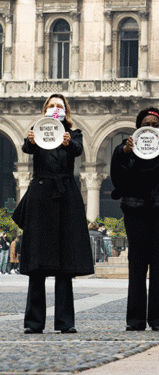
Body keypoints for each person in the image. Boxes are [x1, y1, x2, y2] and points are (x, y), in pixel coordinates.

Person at [13, 94, 94, 333]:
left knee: (65, 262)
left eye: (59, 105)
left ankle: (65, 322)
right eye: (51, 105)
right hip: (40, 195)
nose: (55, 108)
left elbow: (78, 150)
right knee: (37, 261)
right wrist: (30, 140)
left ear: (66, 110)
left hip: (66, 195)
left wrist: (69, 142)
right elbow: (27, 148)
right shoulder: (37, 129)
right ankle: (34, 322)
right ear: (45, 109)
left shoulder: (73, 132)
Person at [111, 107, 159, 332]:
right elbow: (118, 174)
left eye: (155, 124)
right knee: (136, 263)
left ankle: (158, 319)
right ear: (138, 127)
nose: (151, 127)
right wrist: (125, 152)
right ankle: (135, 319)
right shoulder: (127, 146)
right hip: (135, 208)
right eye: (146, 124)